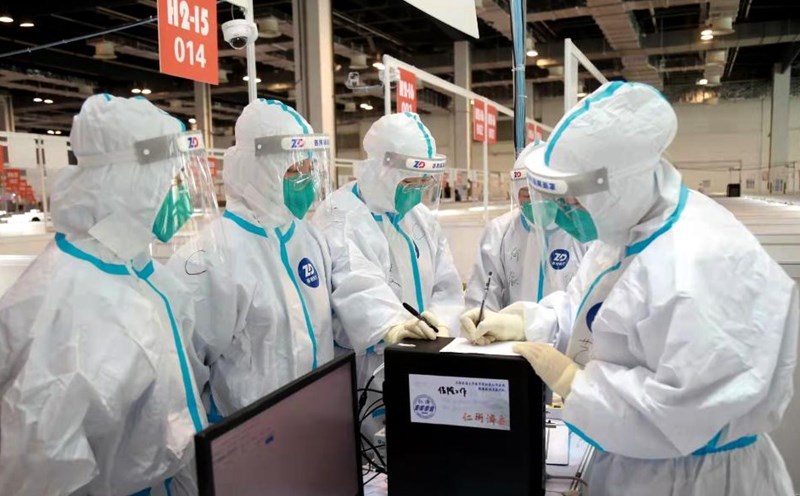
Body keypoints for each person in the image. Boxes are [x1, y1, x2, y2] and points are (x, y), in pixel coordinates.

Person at [462, 81, 798, 494]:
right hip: (634, 463)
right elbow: (587, 310)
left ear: (617, 186)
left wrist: (575, 382)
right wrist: (528, 321)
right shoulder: (624, 232)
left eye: (571, 201)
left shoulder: (698, 262)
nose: (563, 215)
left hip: (694, 478)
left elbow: (679, 414)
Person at [0, 94, 211, 495]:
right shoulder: (66, 301)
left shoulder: (141, 273)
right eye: (171, 181)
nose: (181, 196)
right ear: (128, 182)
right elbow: (40, 471)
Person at [167, 99, 334, 420]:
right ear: (258, 170)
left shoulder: (308, 238)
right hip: (251, 434)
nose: (305, 181)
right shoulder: (211, 258)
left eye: (309, 169)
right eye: (293, 171)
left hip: (318, 421)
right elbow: (185, 373)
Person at [313, 112, 464, 389]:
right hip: (369, 369)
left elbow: (446, 284)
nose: (417, 192)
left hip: (428, 356)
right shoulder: (341, 215)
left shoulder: (420, 218)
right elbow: (355, 285)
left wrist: (442, 324)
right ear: (382, 172)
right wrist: (393, 327)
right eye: (409, 183)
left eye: (423, 182)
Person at [464, 141, 586, 316]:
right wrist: (482, 321)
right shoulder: (500, 232)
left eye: (545, 195)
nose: (537, 203)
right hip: (508, 332)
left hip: (564, 332)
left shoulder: (581, 232)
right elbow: (482, 295)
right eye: (527, 195)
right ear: (515, 192)